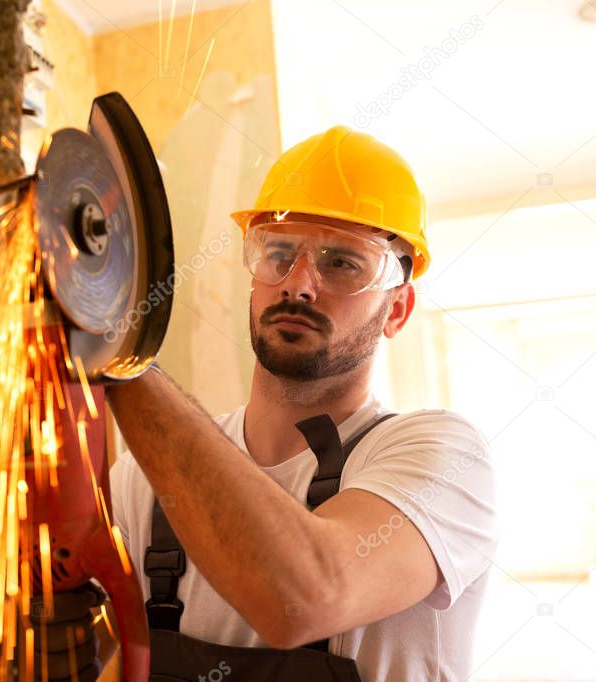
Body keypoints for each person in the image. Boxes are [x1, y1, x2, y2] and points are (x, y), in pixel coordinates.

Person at [38, 125, 499, 681]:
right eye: (278, 253)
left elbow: (305, 597)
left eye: (342, 263)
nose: (297, 284)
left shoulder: (442, 459)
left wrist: (117, 348)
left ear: (398, 310)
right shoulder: (144, 481)